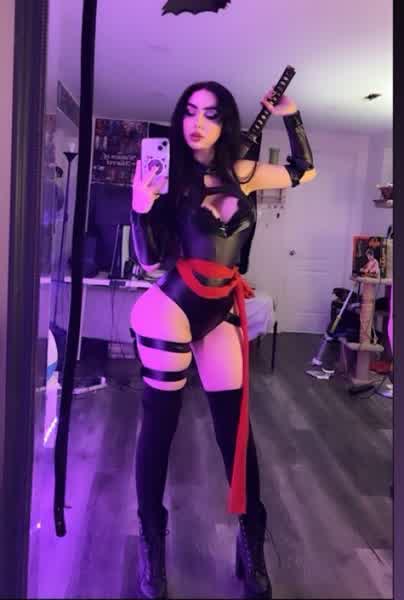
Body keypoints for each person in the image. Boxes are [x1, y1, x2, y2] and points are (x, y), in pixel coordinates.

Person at [130, 80, 316, 599]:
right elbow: (149, 263)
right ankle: (151, 542)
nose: (197, 122)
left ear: (225, 122)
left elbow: (303, 171)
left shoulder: (244, 173)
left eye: (210, 114)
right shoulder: (167, 177)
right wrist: (141, 206)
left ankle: (251, 540)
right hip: (170, 308)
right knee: (160, 429)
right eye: (189, 111)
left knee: (236, 432)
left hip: (221, 309)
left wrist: (291, 114)